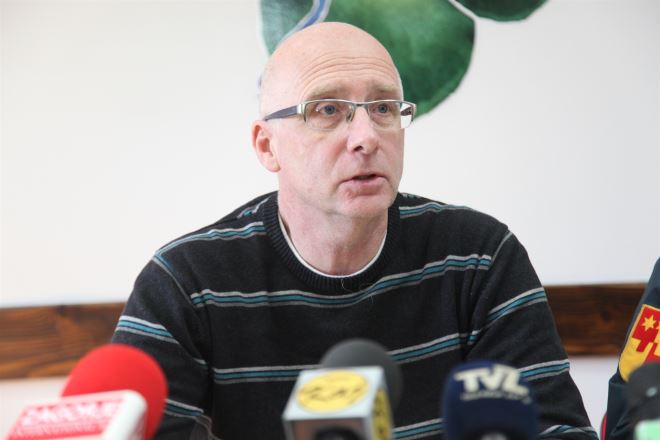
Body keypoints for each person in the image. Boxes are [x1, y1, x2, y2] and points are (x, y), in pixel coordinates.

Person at [112, 22, 595, 439]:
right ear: (267, 146)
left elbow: (556, 430)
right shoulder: (186, 282)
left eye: (383, 108)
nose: (366, 137)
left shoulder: (478, 258)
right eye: (327, 110)